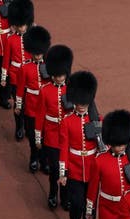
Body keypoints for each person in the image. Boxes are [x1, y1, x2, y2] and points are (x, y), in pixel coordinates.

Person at [58, 71, 100, 219]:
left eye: (85, 103)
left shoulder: (96, 120)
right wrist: (63, 172)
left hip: (92, 169)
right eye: (79, 102)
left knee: (91, 206)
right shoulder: (67, 121)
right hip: (75, 169)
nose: (82, 106)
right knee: (76, 205)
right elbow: (64, 148)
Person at [34, 45, 73, 209]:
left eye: (61, 75)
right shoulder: (45, 90)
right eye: (56, 75)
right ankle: (52, 194)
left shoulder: (71, 89)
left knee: (67, 169)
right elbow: (40, 114)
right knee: (55, 168)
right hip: (51, 134)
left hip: (68, 135)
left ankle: (65, 198)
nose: (59, 78)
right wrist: (38, 136)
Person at [16, 26, 51, 173]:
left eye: (40, 53)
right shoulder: (25, 67)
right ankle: (33, 158)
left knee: (44, 135)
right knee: (32, 135)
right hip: (31, 105)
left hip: (46, 106)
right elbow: (20, 88)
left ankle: (44, 160)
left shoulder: (49, 66)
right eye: (35, 53)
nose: (38, 56)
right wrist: (18, 105)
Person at [1, 0, 34, 140]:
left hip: (29, 77)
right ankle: (19, 127)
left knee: (27, 105)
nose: (22, 28)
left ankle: (26, 126)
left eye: (24, 25)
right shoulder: (10, 39)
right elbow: (6, 59)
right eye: (20, 25)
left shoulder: (32, 39)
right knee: (18, 103)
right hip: (15, 76)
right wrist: (4, 77)